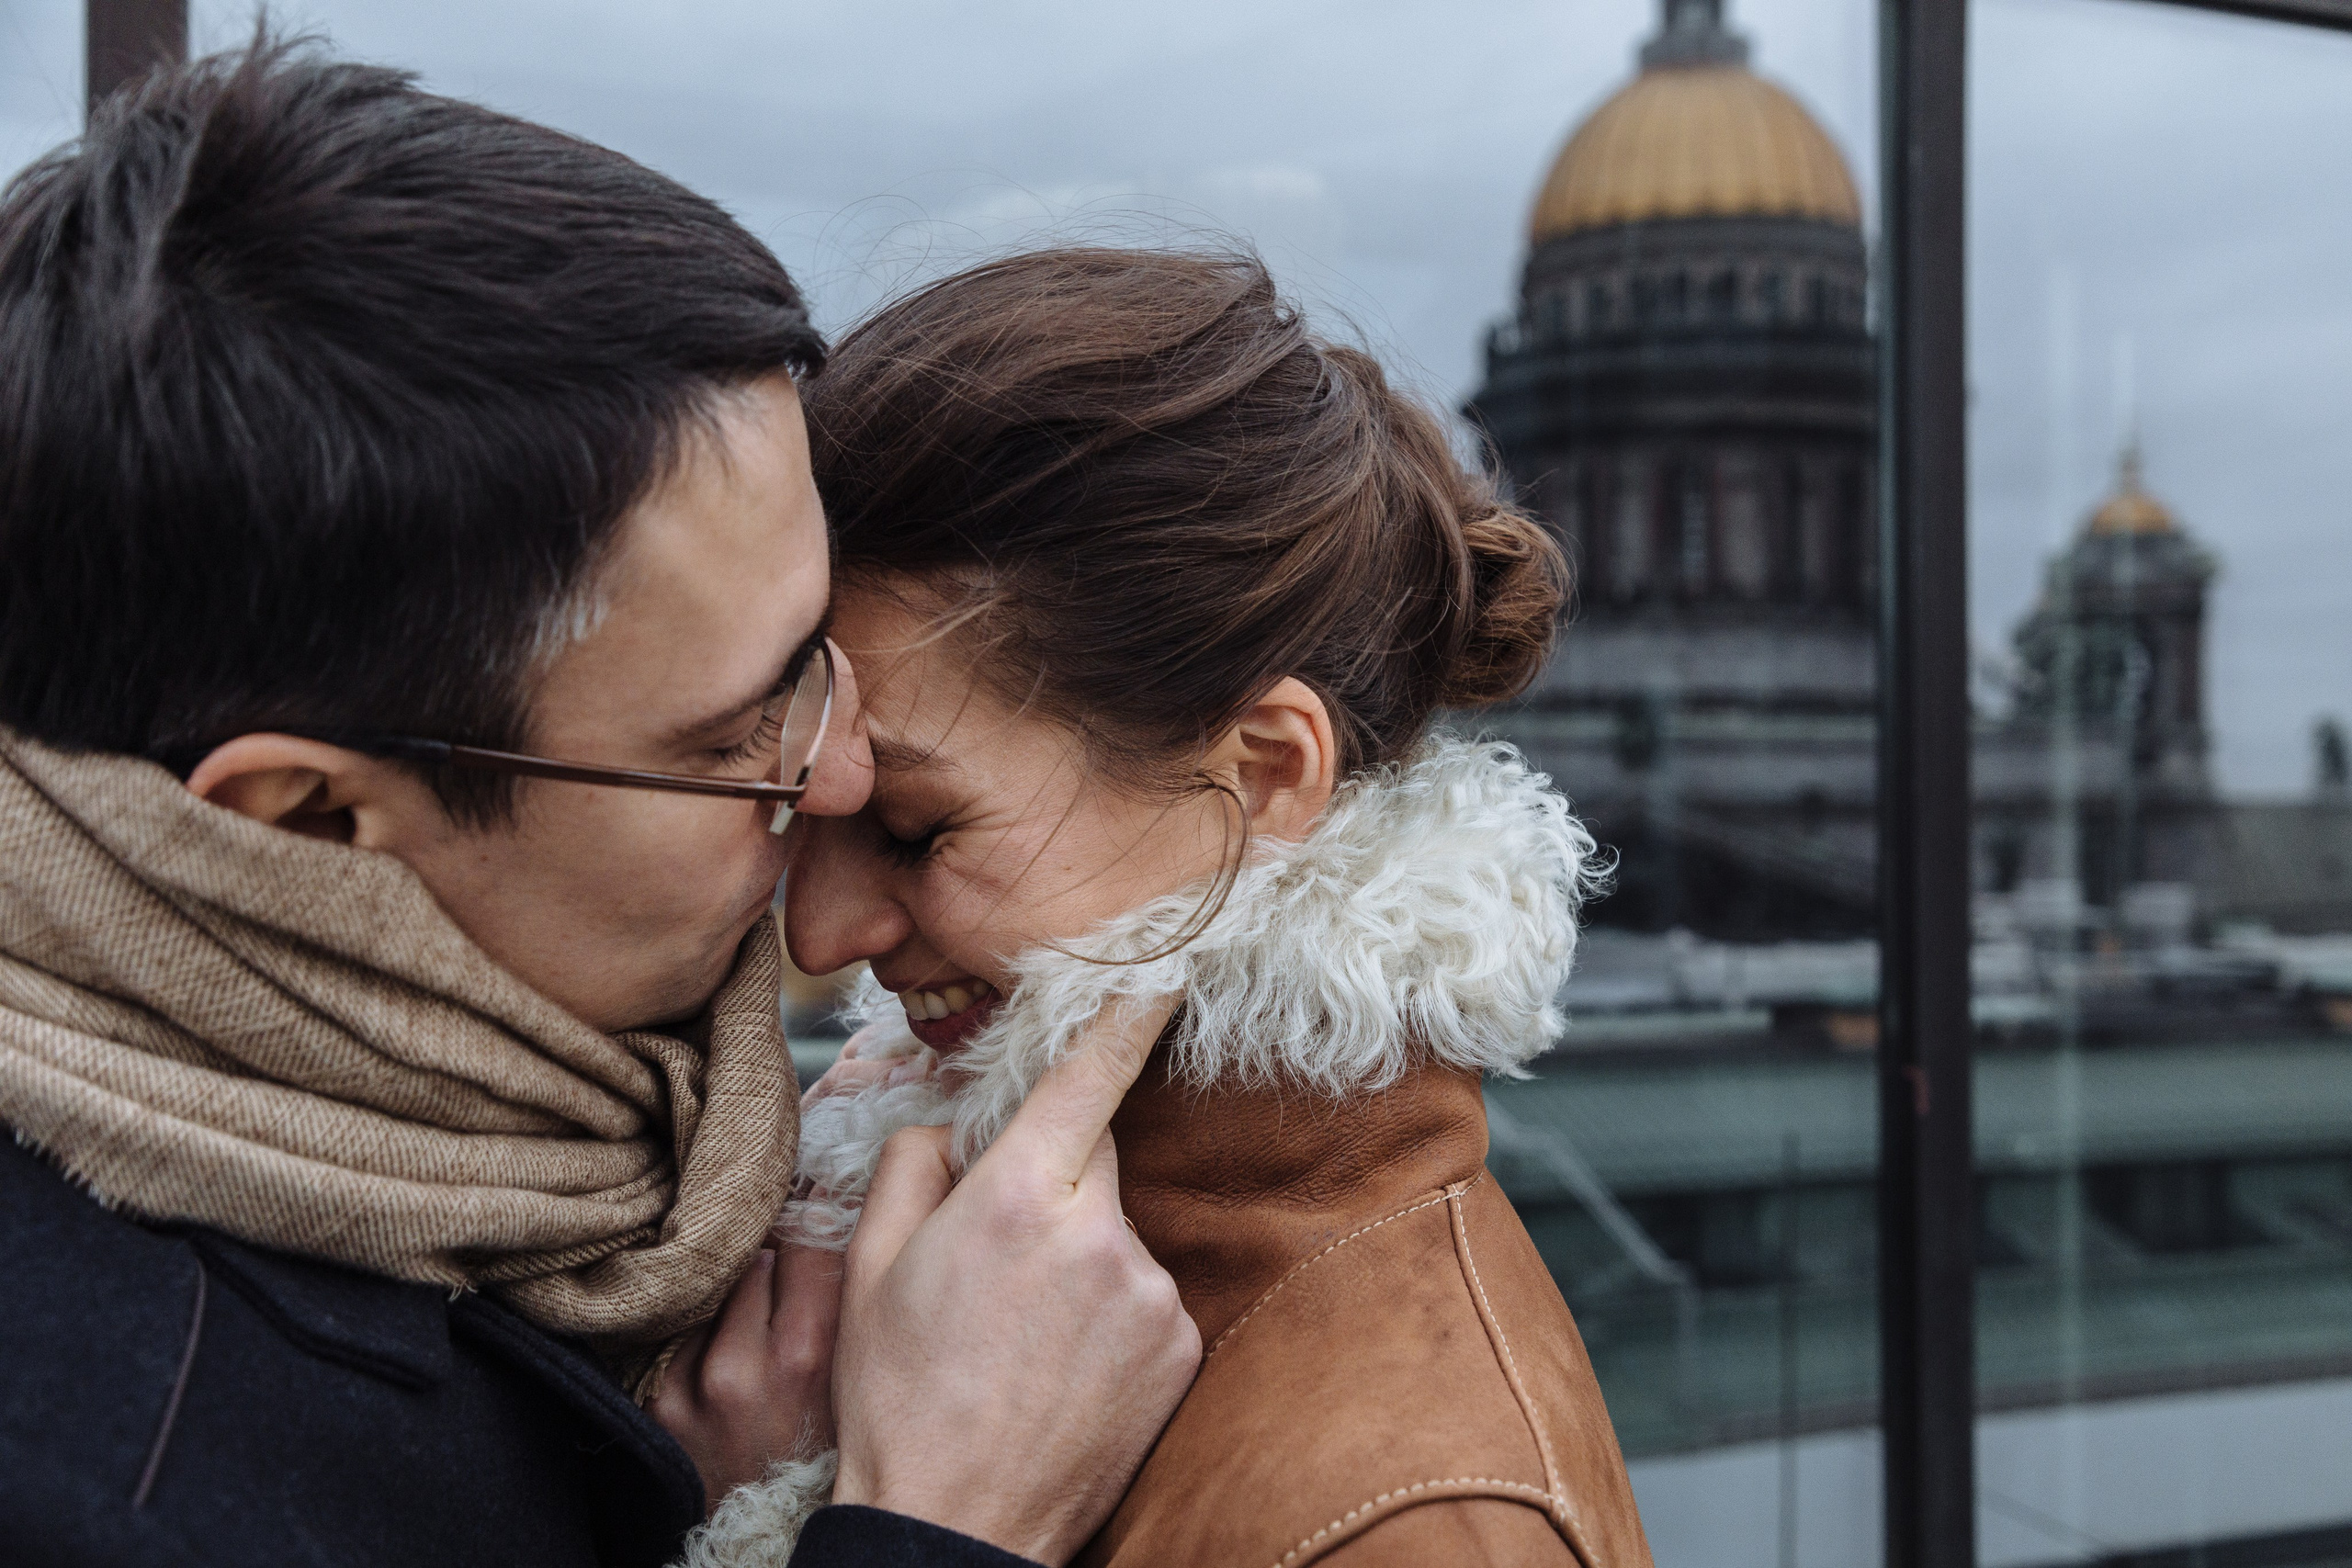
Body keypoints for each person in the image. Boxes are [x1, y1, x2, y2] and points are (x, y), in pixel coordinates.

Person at [0, 43, 1196, 1568]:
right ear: (306, 821)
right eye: (732, 734)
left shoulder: (590, 1157)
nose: (839, 773)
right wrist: (940, 1522)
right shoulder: (105, 1495)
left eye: (816, 650)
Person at [752, 248, 1657, 1565]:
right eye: (796, 814)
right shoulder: (862, 1251)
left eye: (912, 828)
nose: (818, 939)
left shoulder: (1412, 1527)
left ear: (1268, 775)